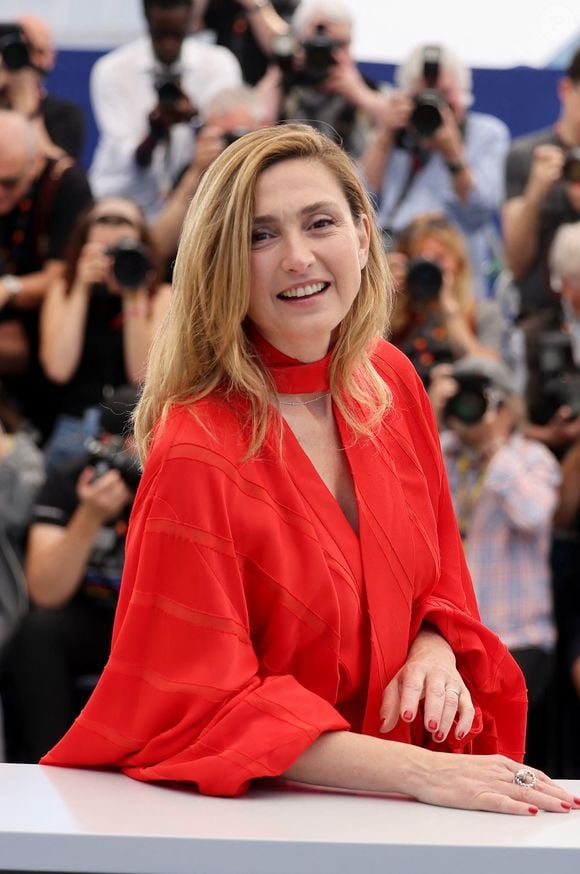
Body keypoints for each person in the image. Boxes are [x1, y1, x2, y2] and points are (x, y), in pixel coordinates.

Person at [41, 123, 577, 816]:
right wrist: (416, 771)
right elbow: (203, 703)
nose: (296, 257)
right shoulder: (196, 445)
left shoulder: (392, 381)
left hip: (411, 810)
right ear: (221, 263)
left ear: (361, 236)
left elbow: (442, 573)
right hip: (272, 819)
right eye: (259, 236)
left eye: (319, 223)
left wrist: (435, 648)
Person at [433, 356, 560, 773]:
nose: (469, 410)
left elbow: (534, 513)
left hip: (517, 635)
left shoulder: (531, 458)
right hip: (454, 639)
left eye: (480, 400)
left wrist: (494, 448)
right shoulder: (439, 452)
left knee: (511, 758)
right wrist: (429, 413)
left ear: (506, 407)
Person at [1, 386, 139, 763]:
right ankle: (45, 760)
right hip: (95, 619)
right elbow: (45, 591)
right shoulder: (70, 479)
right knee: (35, 632)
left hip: (154, 624)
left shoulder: (181, 478)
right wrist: (89, 517)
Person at [361, 43, 509, 300]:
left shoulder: (486, 134)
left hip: (457, 276)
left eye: (444, 95)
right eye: (424, 96)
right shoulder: (396, 136)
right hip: (394, 268)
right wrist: (385, 135)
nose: (435, 106)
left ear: (463, 94)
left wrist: (453, 153)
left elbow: (481, 211)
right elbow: (360, 196)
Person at [40, 196, 171, 469]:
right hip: (73, 425)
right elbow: (58, 368)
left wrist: (133, 296)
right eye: (103, 220)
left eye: (123, 222)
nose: (113, 228)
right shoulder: (63, 288)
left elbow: (143, 376)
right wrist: (80, 289)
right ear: (85, 235)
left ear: (142, 239)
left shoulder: (160, 296)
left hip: (132, 434)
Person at [89, 0, 242, 219]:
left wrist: (195, 119)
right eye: (160, 35)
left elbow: (227, 145)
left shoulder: (219, 64)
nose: (168, 44)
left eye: (176, 35)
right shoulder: (112, 70)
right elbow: (133, 160)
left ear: (190, 17)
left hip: (199, 200)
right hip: (125, 198)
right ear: (146, 17)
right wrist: (154, 132)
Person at [0, 110, 93, 441]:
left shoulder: (64, 185)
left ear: (36, 164)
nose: (0, 195)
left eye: (9, 183)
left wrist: (8, 289)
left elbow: (62, 276)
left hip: (51, 352)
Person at [151, 84, 271, 262]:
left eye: (239, 136)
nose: (232, 148)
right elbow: (158, 247)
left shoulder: (279, 169)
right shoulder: (197, 173)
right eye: (222, 137)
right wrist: (196, 174)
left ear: (263, 131)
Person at [503, 48, 580, 318]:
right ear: (566, 89)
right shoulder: (526, 157)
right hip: (539, 317)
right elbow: (516, 264)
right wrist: (535, 194)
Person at [256, 0, 385, 157]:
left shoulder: (364, 89)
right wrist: (281, 70)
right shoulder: (285, 81)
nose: (327, 55)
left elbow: (395, 123)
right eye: (315, 45)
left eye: (338, 45)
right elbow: (252, 130)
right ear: (299, 43)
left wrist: (361, 95)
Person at [388, 213, 504, 385]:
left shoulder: (483, 313)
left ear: (457, 261)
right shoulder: (392, 315)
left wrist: (451, 314)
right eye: (420, 261)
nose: (431, 269)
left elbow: (489, 371)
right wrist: (383, 296)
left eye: (439, 259)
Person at [0, 14, 85, 160]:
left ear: (51, 56)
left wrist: (28, 108)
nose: (19, 59)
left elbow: (61, 173)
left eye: (34, 49)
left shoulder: (65, 115)